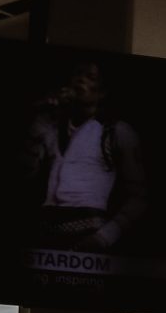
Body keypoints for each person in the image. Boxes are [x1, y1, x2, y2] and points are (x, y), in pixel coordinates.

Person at [28, 61, 145, 251]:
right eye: (77, 74)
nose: (80, 80)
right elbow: (22, 174)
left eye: (90, 77)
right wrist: (38, 124)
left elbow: (139, 197)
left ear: (102, 92)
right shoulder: (50, 128)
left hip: (88, 236)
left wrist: (104, 238)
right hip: (45, 236)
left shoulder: (117, 132)